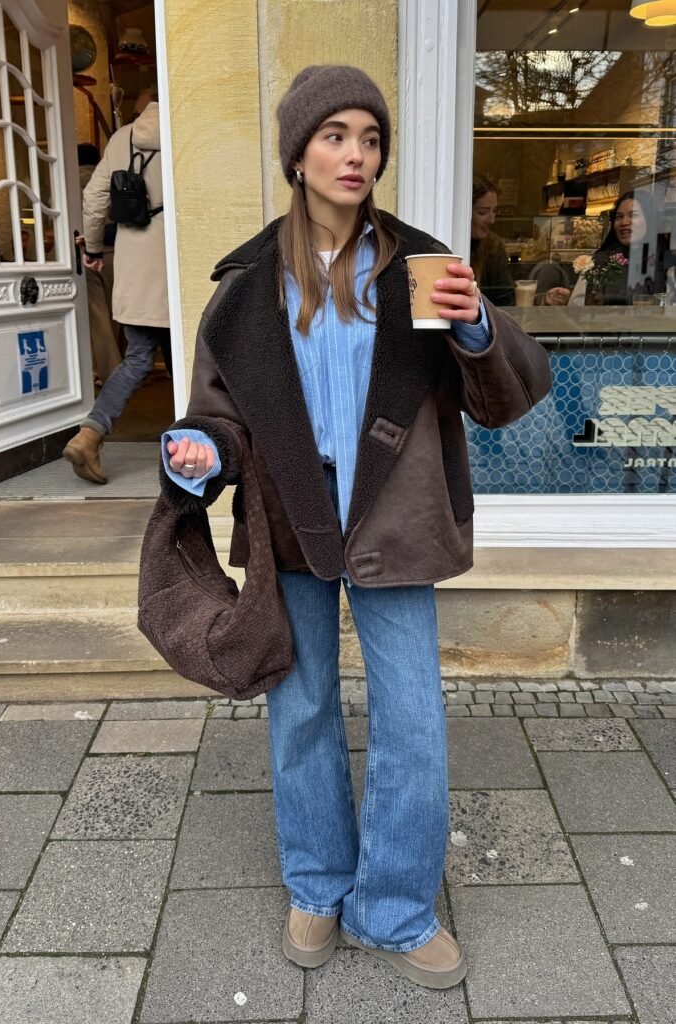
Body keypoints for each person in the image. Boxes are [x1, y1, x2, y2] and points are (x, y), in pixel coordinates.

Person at [159, 66, 551, 989]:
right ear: (297, 154)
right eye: (334, 135)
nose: (356, 155)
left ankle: (397, 906)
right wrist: (198, 455)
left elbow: (503, 397)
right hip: (294, 523)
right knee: (300, 711)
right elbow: (214, 414)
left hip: (396, 521)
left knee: (413, 720)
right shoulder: (246, 287)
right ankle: (318, 882)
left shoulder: (421, 266)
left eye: (370, 138)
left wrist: (476, 328)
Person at [62, 89, 169, 484]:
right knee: (194, 362)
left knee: (138, 357)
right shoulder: (181, 132)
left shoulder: (121, 137)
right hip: (175, 257)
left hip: (136, 261)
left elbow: (93, 199)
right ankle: (196, 454)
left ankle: (89, 435)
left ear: (140, 110)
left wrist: (92, 249)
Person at [545, 189, 662, 306]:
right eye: (619, 217)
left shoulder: (665, 263)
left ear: (650, 220)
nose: (624, 222)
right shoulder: (598, 262)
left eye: (633, 215)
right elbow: (576, 304)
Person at [77, 142, 122, 386]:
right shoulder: (108, 177)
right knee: (115, 315)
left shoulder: (67, 182)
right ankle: (118, 366)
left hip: (87, 253)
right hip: (114, 251)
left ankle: (108, 372)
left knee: (97, 317)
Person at [470, 174, 515, 306]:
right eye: (482, 212)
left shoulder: (493, 246)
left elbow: (506, 299)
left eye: (494, 211)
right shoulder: (444, 243)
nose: (491, 220)